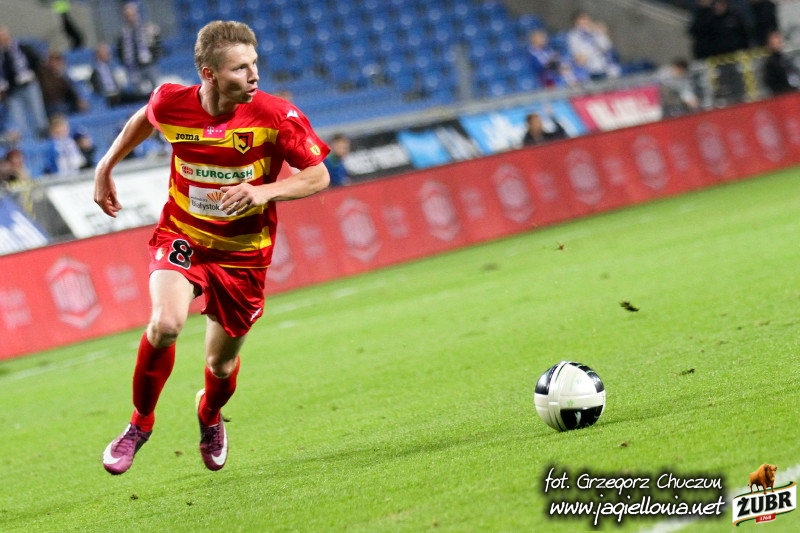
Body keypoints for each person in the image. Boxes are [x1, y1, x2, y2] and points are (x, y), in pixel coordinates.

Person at [95, 20, 331, 475]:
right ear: (209, 74)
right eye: (240, 68)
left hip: (243, 254)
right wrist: (106, 166)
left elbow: (318, 175)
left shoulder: (276, 116)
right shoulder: (172, 102)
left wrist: (263, 192)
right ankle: (140, 423)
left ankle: (209, 413)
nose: (254, 75)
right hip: (183, 235)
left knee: (220, 366)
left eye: (254, 64)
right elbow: (145, 117)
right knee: (165, 324)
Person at [0, 25, 49, 138]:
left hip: (28, 85)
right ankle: (26, 140)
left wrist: (34, 74)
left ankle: (43, 136)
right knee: (18, 118)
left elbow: (37, 61)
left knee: (38, 114)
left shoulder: (22, 47)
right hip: (12, 91)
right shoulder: (1, 55)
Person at [117, 1, 162, 95]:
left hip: (149, 65)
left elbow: (157, 43)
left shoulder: (148, 28)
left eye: (132, 15)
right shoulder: (123, 34)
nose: (131, 18)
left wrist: (153, 58)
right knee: (138, 93)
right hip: (134, 68)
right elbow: (120, 51)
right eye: (128, 16)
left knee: (156, 91)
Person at [90, 42, 151, 107]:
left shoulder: (112, 67)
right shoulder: (95, 70)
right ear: (98, 54)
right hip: (109, 97)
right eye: (105, 53)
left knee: (137, 96)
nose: (109, 55)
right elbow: (97, 89)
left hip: (118, 94)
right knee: (136, 98)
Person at [566, 11, 621, 81]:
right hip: (593, 69)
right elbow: (580, 58)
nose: (585, 23)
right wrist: (591, 52)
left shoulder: (596, 30)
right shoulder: (573, 36)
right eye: (582, 22)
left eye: (586, 20)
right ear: (576, 23)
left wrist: (601, 32)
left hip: (609, 67)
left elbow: (607, 46)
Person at [37, 49, 89, 119]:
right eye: (56, 61)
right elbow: (50, 92)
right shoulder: (44, 75)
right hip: (52, 105)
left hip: (67, 103)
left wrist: (79, 99)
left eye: (60, 61)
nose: (59, 63)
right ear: (50, 62)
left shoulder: (64, 74)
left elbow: (72, 89)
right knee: (60, 108)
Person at [762, 30, 800, 95]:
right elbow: (770, 82)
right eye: (775, 41)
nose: (778, 43)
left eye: (779, 41)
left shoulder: (787, 59)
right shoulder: (770, 63)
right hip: (781, 94)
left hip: (793, 93)